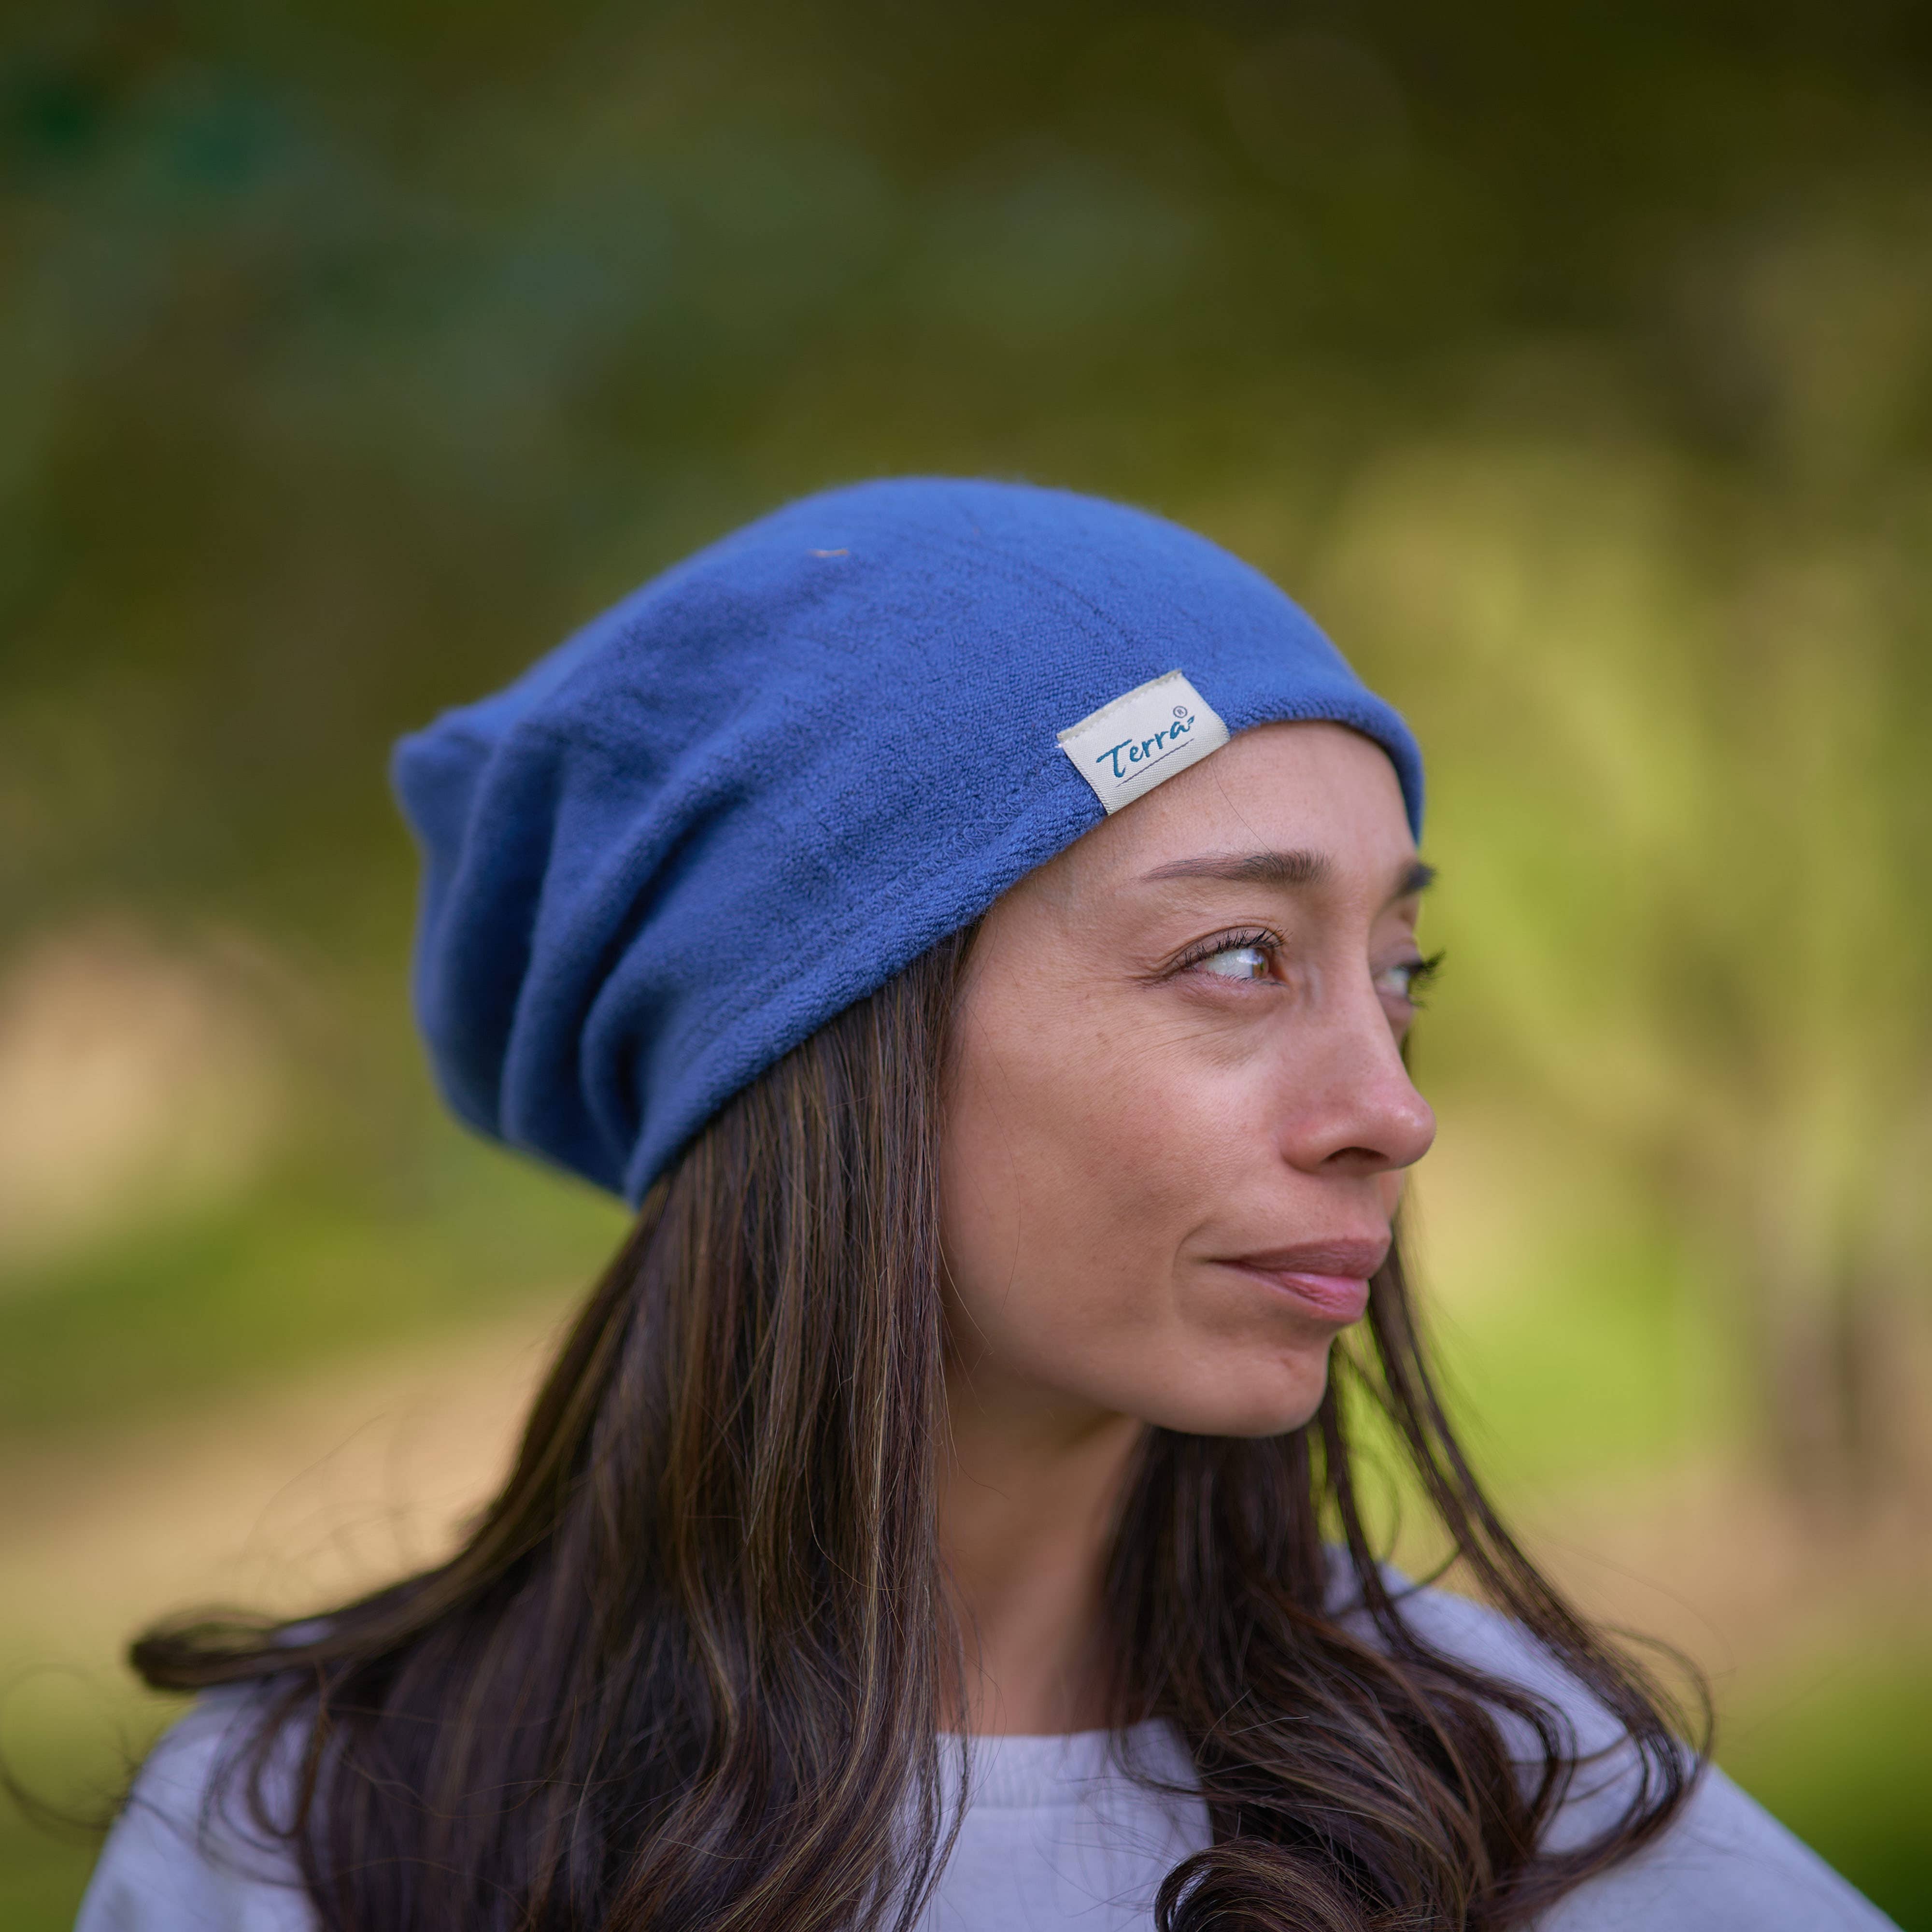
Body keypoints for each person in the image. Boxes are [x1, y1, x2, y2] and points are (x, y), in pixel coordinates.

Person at [75, 479, 1894, 1931]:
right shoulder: (319, 1835)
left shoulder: (1523, 1809)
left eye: (1398, 970)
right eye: (1242, 956)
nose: (1392, 1114)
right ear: (821, 1048)